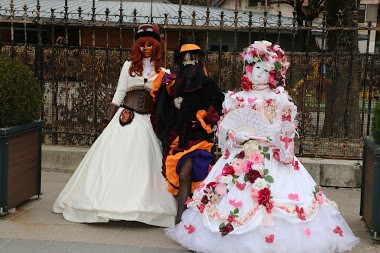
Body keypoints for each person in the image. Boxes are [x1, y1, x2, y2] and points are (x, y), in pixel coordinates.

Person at [165, 40, 360, 252]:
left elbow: (285, 136)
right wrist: (235, 134)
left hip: (270, 157)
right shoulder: (236, 98)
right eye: (257, 67)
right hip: (239, 156)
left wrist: (280, 132)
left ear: (274, 74)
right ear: (249, 68)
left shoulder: (279, 99)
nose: (260, 73)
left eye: (266, 70)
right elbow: (223, 131)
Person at [52, 24, 177, 227]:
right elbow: (119, 93)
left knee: (144, 164)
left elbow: (163, 101)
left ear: (156, 46)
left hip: (148, 122)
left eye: (150, 44)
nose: (146, 48)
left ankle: (142, 206)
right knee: (115, 161)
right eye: (142, 44)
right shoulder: (128, 66)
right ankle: (106, 204)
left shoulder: (165, 72)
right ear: (137, 46)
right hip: (126, 118)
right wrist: (106, 119)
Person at [154, 37, 224, 224]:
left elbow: (219, 105)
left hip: (201, 139)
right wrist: (174, 107)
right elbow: (165, 114)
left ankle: (184, 221)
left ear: (199, 60)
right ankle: (184, 222)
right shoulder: (175, 86)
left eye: (193, 58)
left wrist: (204, 116)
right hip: (181, 140)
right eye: (185, 59)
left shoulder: (208, 84)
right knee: (184, 176)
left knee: (188, 174)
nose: (189, 63)